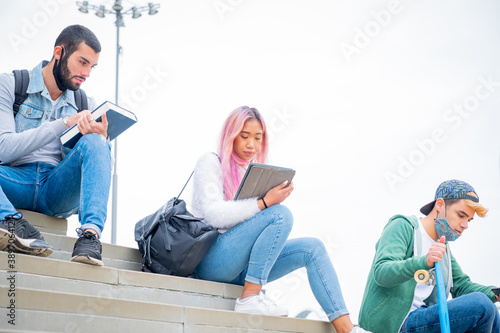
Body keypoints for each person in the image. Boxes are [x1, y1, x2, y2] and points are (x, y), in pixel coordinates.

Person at [191, 106, 371, 333]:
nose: (251, 145)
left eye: (258, 138)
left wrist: (268, 200)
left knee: (312, 248)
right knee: (280, 214)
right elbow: (213, 214)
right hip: (212, 260)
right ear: (231, 136)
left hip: (241, 268)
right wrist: (263, 203)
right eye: (244, 136)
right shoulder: (210, 162)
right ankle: (249, 299)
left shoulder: (252, 170)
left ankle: (348, 329)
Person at [0, 25, 111, 266]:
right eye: (82, 62)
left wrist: (99, 140)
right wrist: (64, 123)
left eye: (92, 67)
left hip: (57, 189)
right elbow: (3, 148)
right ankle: (10, 222)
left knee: (97, 141)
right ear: (59, 52)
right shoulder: (10, 84)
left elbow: (86, 167)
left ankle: (90, 237)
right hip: (13, 181)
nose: (87, 74)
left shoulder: (86, 104)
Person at [359, 179, 500, 333]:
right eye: (461, 215)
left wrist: (496, 293)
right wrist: (424, 261)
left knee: (492, 309)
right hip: (395, 325)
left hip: (423, 319)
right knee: (481, 306)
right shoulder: (403, 226)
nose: (465, 225)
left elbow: (462, 286)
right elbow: (381, 272)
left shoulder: (443, 247)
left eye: (469, 220)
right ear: (439, 205)